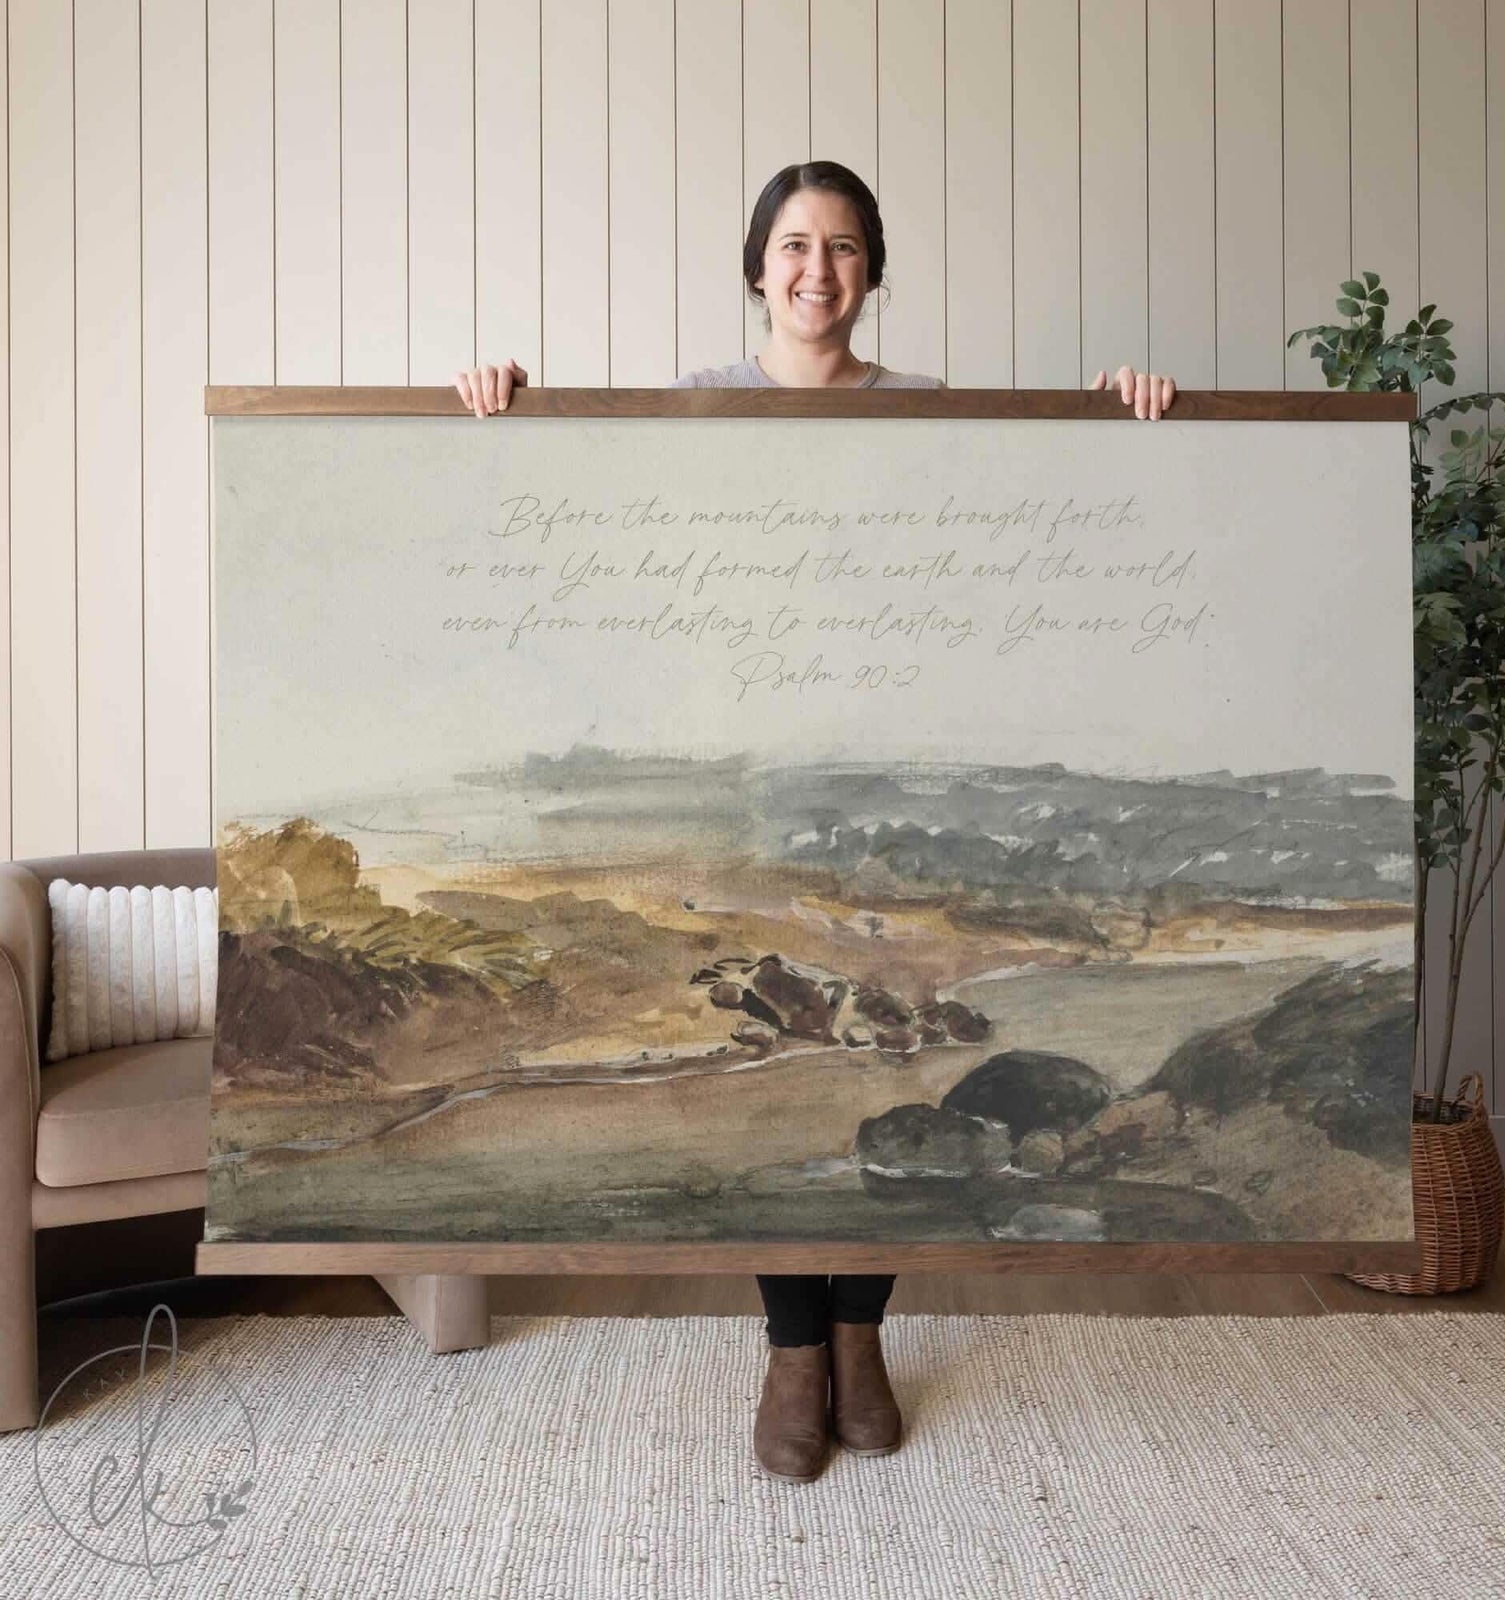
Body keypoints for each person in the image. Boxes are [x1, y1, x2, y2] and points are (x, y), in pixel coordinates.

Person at [455, 160, 1177, 1484]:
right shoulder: (689, 407)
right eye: (793, 246)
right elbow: (585, 527)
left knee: (883, 1043)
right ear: (755, 266)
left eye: (843, 248)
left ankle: (862, 1334)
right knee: (799, 1057)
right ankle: (794, 1350)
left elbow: (1036, 526)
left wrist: (1125, 416)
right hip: (752, 776)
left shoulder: (927, 412)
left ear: (872, 271)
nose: (816, 271)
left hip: (886, 779)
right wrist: (505, 413)